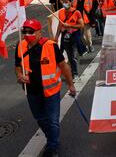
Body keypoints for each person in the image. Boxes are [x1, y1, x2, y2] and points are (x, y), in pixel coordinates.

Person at [16, 19, 76, 157]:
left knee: (52, 121)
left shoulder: (50, 46)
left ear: (39, 32)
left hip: (51, 92)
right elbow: (18, 65)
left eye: (30, 31)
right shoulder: (21, 45)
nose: (26, 34)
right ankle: (52, 138)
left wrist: (71, 84)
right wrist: (19, 75)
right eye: (24, 31)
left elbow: (64, 66)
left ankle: (52, 147)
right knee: (40, 119)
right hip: (31, 92)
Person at [55, 0, 84, 80]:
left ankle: (75, 73)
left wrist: (70, 26)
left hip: (74, 36)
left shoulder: (77, 12)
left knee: (73, 56)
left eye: (66, 2)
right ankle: (70, 71)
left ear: (71, 2)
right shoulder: (60, 12)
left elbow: (81, 25)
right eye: (63, 2)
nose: (64, 3)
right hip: (65, 37)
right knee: (68, 55)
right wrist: (56, 37)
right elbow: (59, 26)